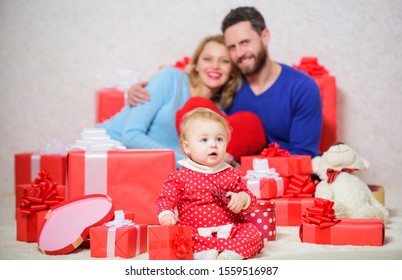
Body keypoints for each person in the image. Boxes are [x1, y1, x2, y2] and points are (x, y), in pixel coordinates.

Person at [128, 6, 323, 157]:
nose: (239, 53)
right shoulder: (228, 87)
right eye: (232, 47)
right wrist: (137, 91)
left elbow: (303, 157)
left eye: (245, 42)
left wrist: (245, 168)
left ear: (265, 36)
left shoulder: (302, 88)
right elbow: (191, 83)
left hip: (280, 179)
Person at [96, 34, 266, 166]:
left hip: (147, 166)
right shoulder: (170, 78)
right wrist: (192, 163)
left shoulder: (216, 115)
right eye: (207, 59)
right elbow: (131, 136)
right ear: (196, 64)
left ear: (232, 72)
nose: (214, 66)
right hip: (102, 149)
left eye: (224, 61)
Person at [156, 108, 264, 260]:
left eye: (219, 139)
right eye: (204, 140)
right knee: (179, 238)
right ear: (187, 147)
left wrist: (242, 198)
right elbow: (165, 198)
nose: (213, 145)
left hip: (229, 230)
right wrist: (166, 213)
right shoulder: (180, 176)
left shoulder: (231, 173)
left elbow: (250, 197)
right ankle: (202, 254)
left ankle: (231, 254)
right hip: (195, 231)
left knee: (252, 232)